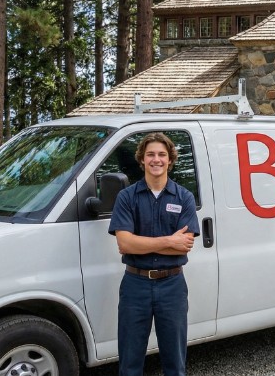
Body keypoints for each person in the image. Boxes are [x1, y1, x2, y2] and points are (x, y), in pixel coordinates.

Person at [108, 132, 200, 376]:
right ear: (142, 159)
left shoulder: (184, 198)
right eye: (150, 154)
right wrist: (170, 240)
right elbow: (125, 243)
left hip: (172, 285)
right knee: (129, 362)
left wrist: (139, 242)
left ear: (170, 160)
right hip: (134, 285)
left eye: (161, 154)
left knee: (175, 363)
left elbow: (186, 244)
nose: (156, 160)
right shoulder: (127, 197)